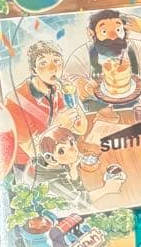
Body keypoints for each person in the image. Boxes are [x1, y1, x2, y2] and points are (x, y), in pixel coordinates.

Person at [5, 41, 87, 173]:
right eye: (43, 63)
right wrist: (57, 125)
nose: (53, 68)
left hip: (61, 154)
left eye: (57, 61)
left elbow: (81, 128)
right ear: (34, 69)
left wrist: (73, 98)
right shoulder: (15, 101)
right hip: (32, 167)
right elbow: (32, 151)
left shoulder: (60, 89)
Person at [64, 9, 141, 106]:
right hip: (97, 110)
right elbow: (69, 78)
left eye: (118, 30)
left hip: (133, 106)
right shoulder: (83, 54)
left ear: (126, 31)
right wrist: (83, 86)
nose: (113, 36)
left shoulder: (134, 48)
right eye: (104, 31)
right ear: (91, 34)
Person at [33, 127, 125, 211]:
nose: (73, 150)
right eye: (61, 151)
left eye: (71, 143)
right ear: (51, 158)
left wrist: (73, 171)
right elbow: (78, 203)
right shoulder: (50, 182)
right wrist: (106, 189)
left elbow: (76, 189)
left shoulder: (57, 163)